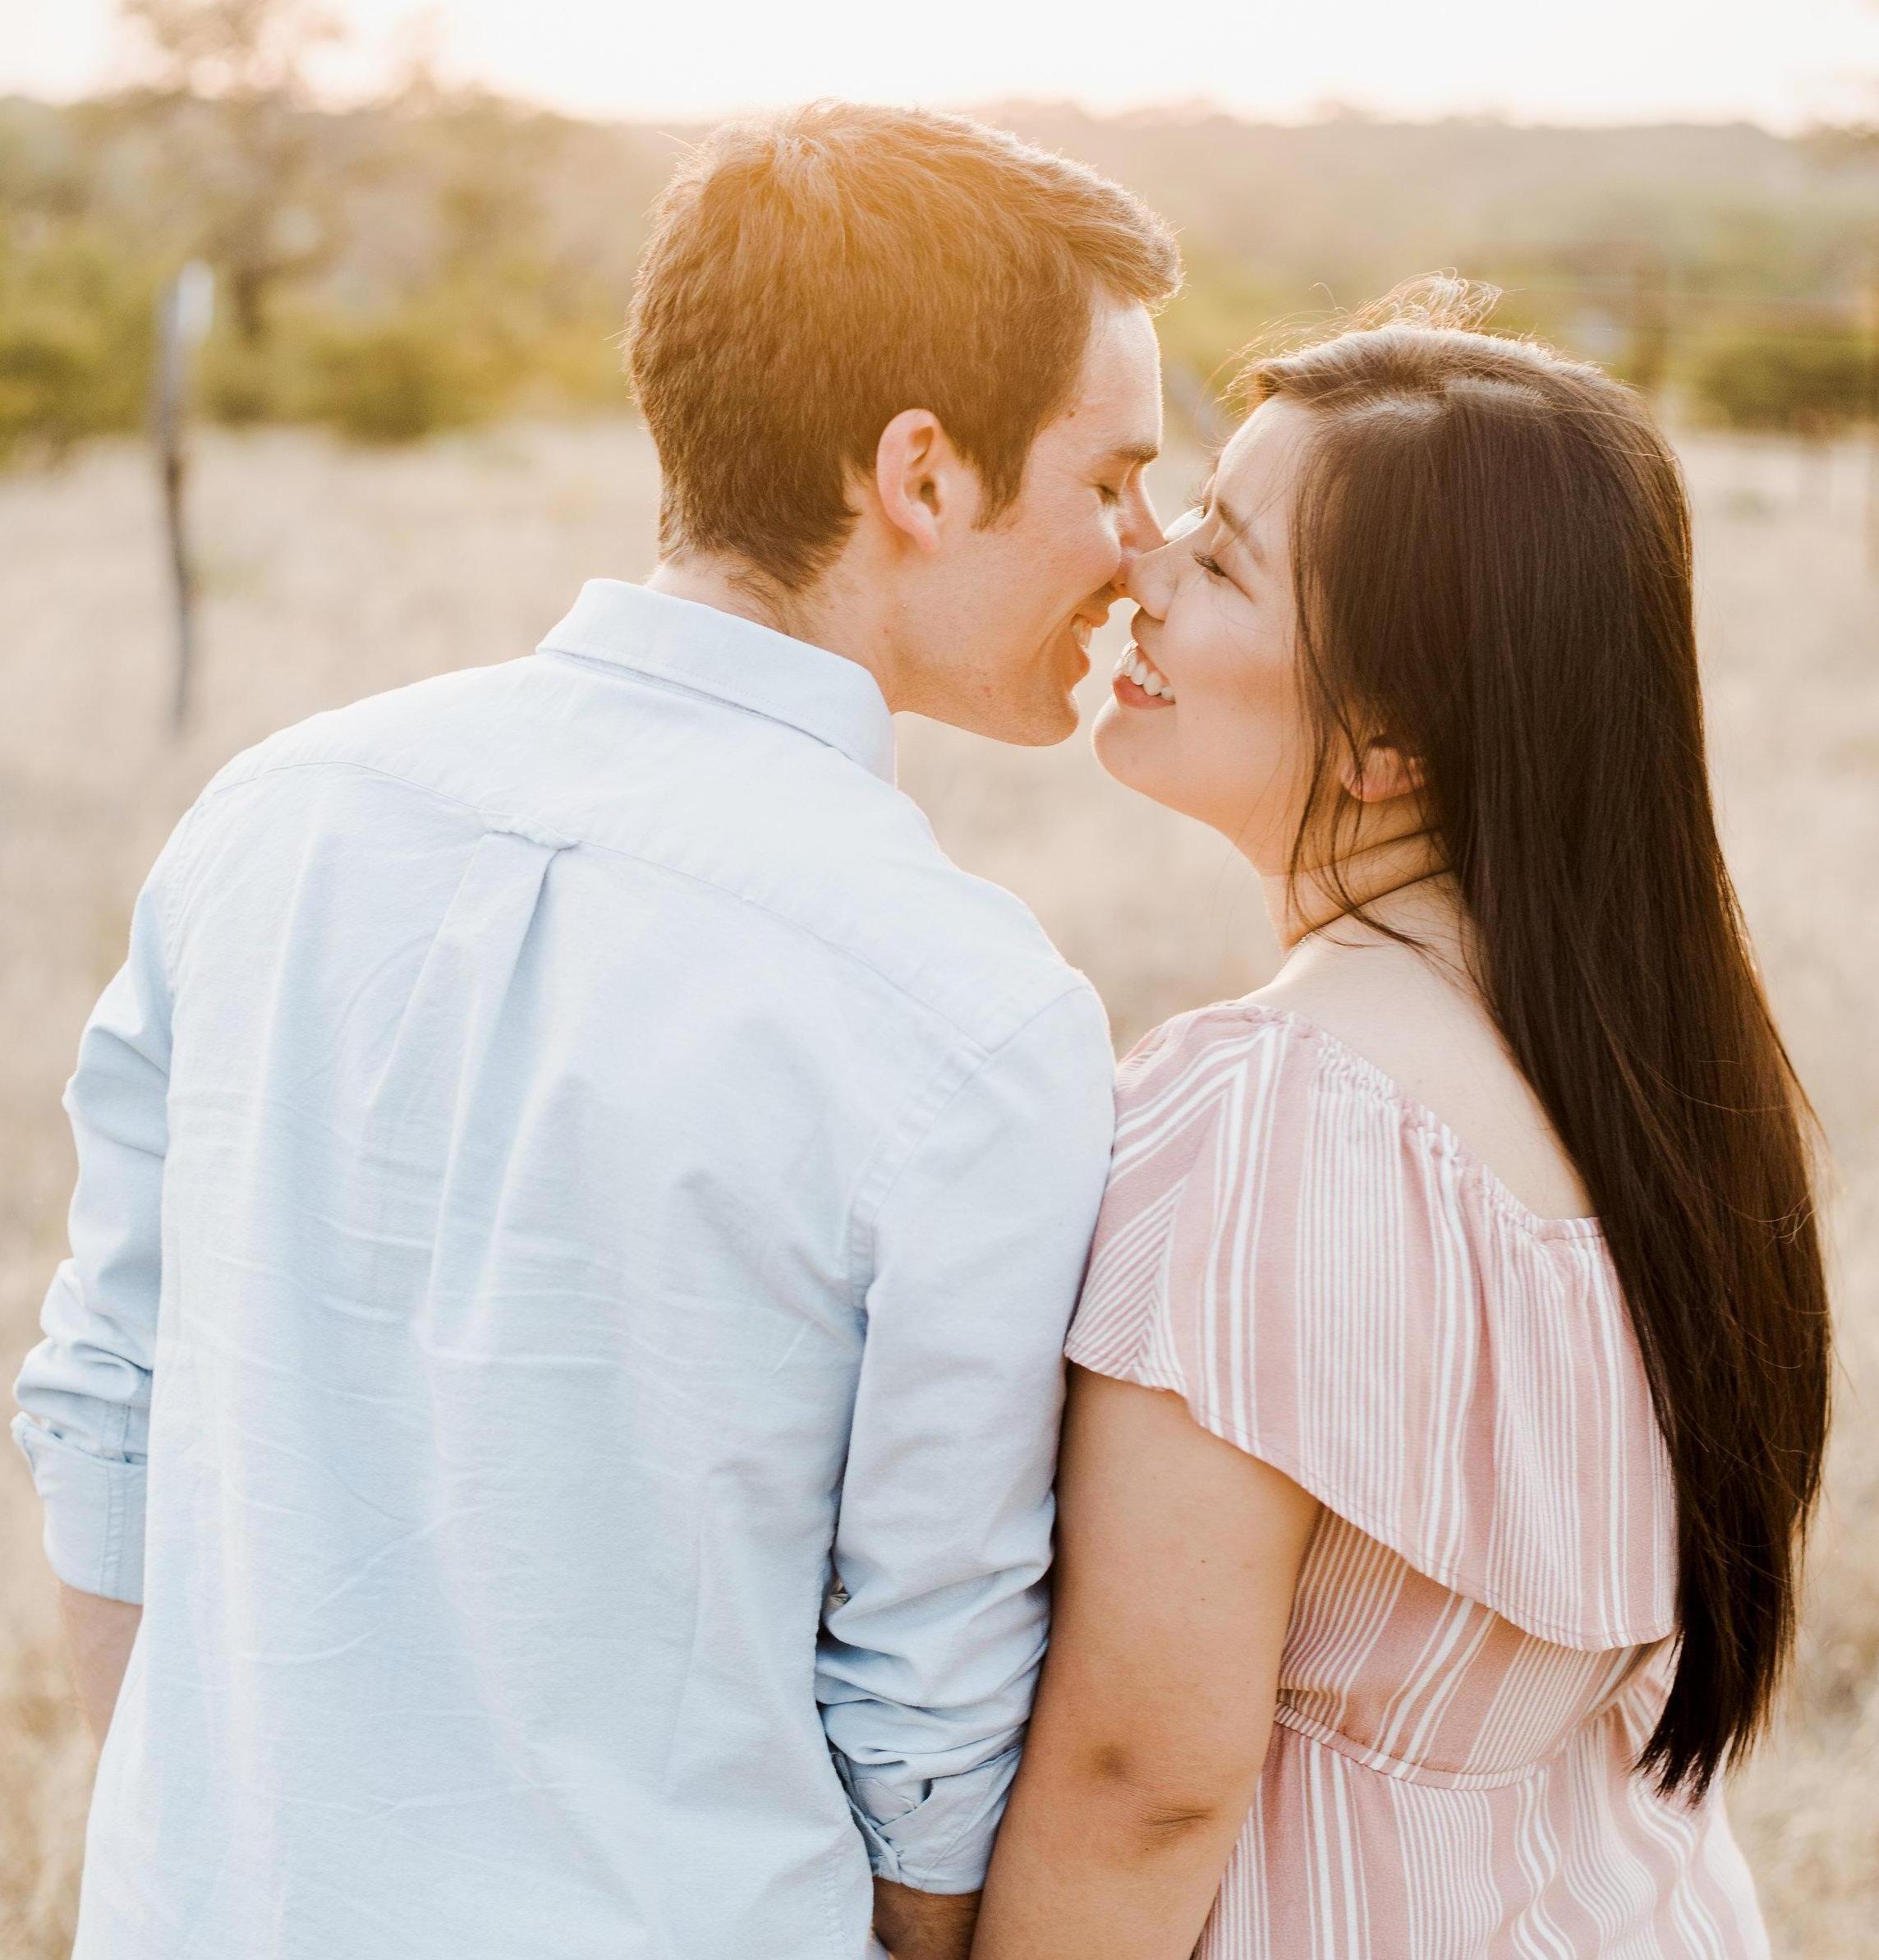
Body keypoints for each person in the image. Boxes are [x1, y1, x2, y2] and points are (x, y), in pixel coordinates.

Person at [11, 104, 1177, 1960]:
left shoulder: (271, 811)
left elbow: (101, 1413)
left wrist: (224, 1861)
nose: (1143, 548)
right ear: (923, 474)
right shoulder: (968, 1016)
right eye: (1110, 476)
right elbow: (928, 1707)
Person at [972, 289, 1833, 1959]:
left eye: (1218, 558)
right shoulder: (1665, 1086)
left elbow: (1140, 1771)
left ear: (1385, 742)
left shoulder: (1272, 1110)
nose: (1136, 565)